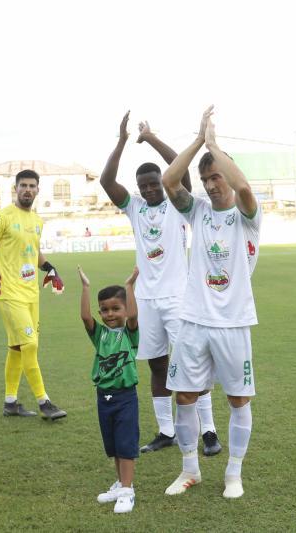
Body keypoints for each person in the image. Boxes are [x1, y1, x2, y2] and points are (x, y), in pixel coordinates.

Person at [99, 111, 221, 455]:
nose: (151, 189)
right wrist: (122, 141)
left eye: (155, 183)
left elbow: (177, 167)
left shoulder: (177, 204)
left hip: (179, 297)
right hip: (147, 300)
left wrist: (150, 137)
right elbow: (107, 182)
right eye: (145, 186)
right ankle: (166, 430)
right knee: (157, 364)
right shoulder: (134, 208)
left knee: (192, 361)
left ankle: (209, 431)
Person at [161, 107, 261, 499]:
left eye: (216, 176)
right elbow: (170, 179)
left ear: (229, 174)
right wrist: (199, 142)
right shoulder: (197, 212)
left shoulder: (247, 215)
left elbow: (246, 190)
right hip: (194, 320)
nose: (210, 185)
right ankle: (190, 470)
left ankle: (233, 473)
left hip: (234, 322)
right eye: (205, 179)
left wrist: (216, 146)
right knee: (184, 396)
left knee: (238, 398)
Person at [0, 169, 66, 420]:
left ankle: (10, 402)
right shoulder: (0, 217)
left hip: (31, 293)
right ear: (15, 188)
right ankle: (44, 402)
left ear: (37, 190)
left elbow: (34, 252)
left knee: (16, 346)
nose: (27, 189)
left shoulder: (37, 221)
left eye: (32, 186)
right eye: (23, 185)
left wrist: (50, 268)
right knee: (30, 344)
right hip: (8, 292)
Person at [78, 265, 140, 513]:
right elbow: (85, 317)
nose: (109, 314)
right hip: (103, 397)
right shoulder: (100, 334)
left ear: (124, 309)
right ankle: (120, 483)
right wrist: (85, 287)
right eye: (104, 310)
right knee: (114, 445)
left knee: (125, 444)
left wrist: (129, 286)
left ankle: (128, 490)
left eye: (116, 308)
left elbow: (134, 316)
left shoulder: (129, 334)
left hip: (125, 397)